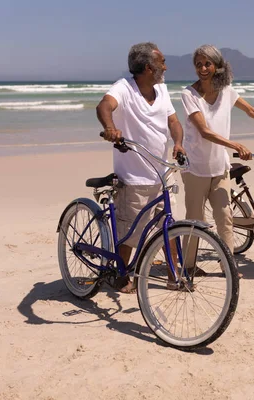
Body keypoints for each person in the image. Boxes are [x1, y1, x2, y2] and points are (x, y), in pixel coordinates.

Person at [180, 44, 254, 275]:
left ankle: (228, 265)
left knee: (225, 218)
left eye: (207, 63)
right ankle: (189, 267)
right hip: (195, 169)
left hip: (219, 167)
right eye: (199, 64)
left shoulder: (227, 90)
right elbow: (203, 131)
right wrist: (236, 146)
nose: (203, 68)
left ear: (217, 66)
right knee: (194, 220)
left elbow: (252, 111)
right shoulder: (188, 95)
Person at [97, 42, 185, 293]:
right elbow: (104, 105)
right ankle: (122, 275)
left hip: (163, 173)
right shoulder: (124, 88)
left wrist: (178, 143)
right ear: (148, 67)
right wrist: (110, 128)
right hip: (134, 176)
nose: (166, 67)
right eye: (162, 62)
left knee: (170, 225)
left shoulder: (162, 90)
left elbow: (174, 121)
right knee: (129, 233)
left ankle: (173, 274)